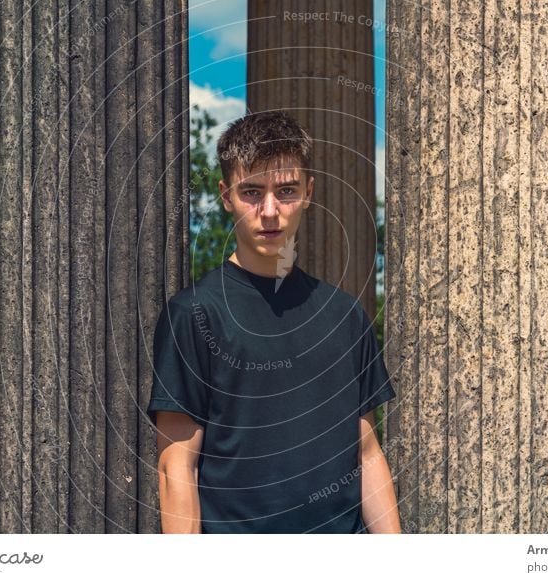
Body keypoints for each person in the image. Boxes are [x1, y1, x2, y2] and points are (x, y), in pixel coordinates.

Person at [148, 110, 400, 533]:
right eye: (252, 192)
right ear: (226, 195)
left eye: (286, 191)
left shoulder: (344, 316)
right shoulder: (195, 314)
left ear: (308, 193)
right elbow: (177, 465)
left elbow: (367, 453)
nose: (269, 212)